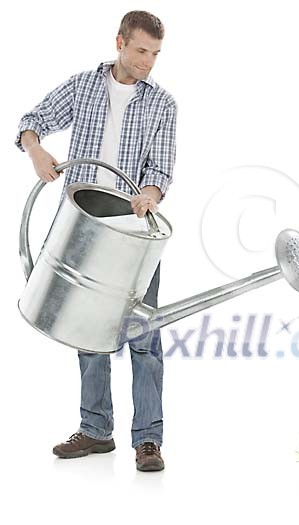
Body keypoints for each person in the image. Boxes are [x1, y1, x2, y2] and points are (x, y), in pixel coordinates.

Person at [14, 10, 177, 472]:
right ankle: (95, 429)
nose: (148, 62)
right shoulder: (83, 85)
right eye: (142, 51)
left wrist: (149, 192)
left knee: (142, 333)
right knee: (88, 331)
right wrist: (36, 148)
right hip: (82, 227)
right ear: (120, 42)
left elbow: (160, 169)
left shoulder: (162, 104)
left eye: (156, 54)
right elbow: (34, 118)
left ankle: (148, 439)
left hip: (131, 233)